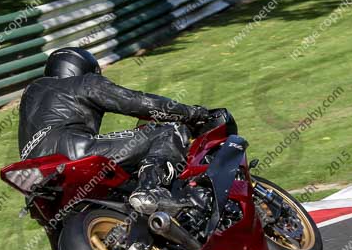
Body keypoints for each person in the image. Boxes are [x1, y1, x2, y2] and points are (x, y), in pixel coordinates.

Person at [18, 47, 210, 214]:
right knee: (167, 130)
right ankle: (149, 190)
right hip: (74, 151)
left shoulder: (30, 93)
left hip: (34, 173)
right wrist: (193, 113)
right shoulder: (83, 82)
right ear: (84, 69)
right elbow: (136, 102)